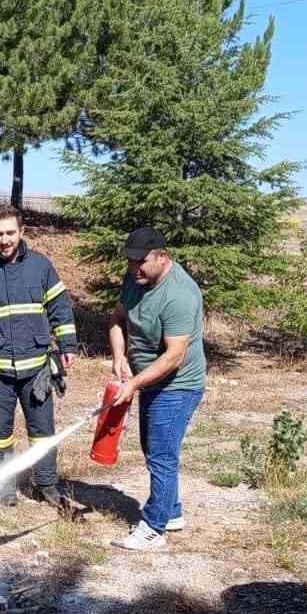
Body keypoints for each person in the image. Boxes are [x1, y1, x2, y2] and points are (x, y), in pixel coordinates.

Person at [0, 207, 77, 508]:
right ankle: (4, 484)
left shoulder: (41, 266)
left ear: (21, 232)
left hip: (36, 369)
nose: (4, 239)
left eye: (10, 232)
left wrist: (68, 344)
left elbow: (60, 306)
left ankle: (46, 485)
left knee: (43, 432)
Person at [108, 225, 207, 551]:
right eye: (130, 262)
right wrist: (120, 355)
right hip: (150, 379)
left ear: (162, 257)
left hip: (178, 385)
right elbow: (118, 318)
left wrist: (134, 382)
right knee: (154, 449)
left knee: (163, 454)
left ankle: (154, 528)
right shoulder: (136, 278)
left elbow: (174, 357)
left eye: (141, 262)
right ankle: (173, 512)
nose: (134, 268)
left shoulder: (180, 294)